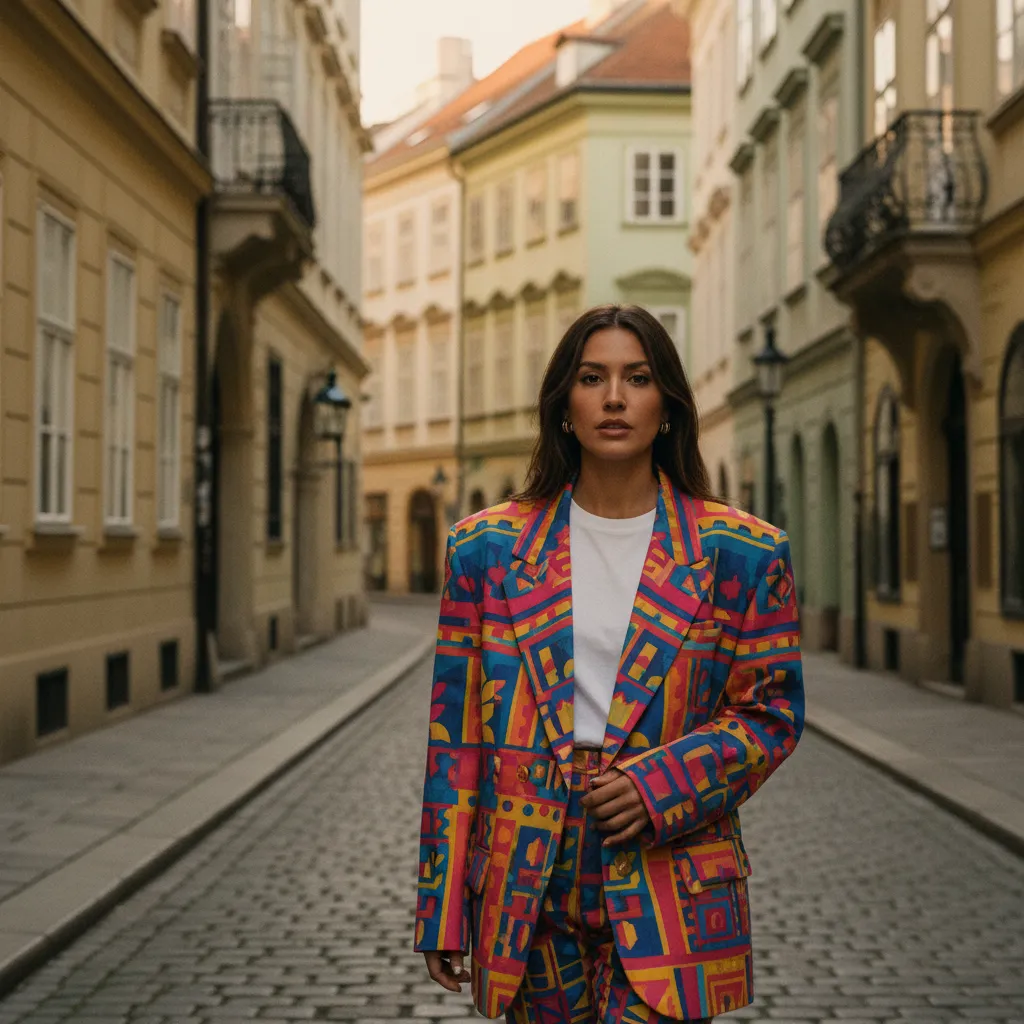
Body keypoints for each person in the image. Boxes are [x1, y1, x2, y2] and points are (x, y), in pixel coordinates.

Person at [415, 304, 804, 1023]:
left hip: (668, 860)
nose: (616, 397)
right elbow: (456, 740)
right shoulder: (487, 549)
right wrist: (440, 905)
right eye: (593, 378)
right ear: (565, 405)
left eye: (639, 377)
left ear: (669, 406)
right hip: (525, 878)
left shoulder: (742, 553)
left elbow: (771, 714)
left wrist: (660, 786)